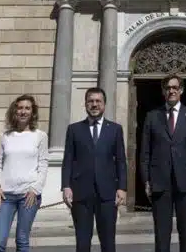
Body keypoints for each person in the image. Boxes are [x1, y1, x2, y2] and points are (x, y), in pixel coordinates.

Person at [139, 74, 186, 252]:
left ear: (181, 90)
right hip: (159, 181)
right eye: (168, 88)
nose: (171, 91)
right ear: (163, 91)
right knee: (161, 236)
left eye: (175, 87)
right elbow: (145, 151)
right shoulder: (152, 116)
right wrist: (146, 180)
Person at [61, 87, 127, 252]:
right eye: (91, 101)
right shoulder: (74, 129)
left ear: (104, 105)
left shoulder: (115, 129)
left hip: (107, 193)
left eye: (98, 101)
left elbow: (121, 161)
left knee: (108, 243)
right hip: (81, 193)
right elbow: (68, 159)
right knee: (82, 243)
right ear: (85, 104)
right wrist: (66, 186)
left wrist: (122, 187)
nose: (94, 105)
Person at [0, 94, 50, 252]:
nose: (23, 111)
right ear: (15, 111)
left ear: (33, 112)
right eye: (20, 108)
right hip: (5, 196)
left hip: (28, 196)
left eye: (27, 108)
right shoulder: (4, 136)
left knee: (22, 241)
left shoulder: (40, 136)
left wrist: (35, 189)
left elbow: (43, 165)